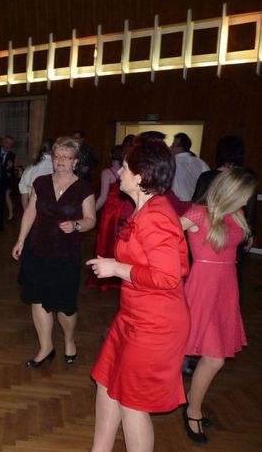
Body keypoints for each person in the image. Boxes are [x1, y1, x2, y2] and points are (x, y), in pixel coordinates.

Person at [86, 136, 189, 452]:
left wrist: (116, 268)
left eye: (125, 168)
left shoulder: (156, 216)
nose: (119, 172)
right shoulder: (144, 210)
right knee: (106, 383)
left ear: (142, 175)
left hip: (155, 325)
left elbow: (167, 277)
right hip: (132, 316)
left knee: (132, 402)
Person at [180, 168, 257, 444]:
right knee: (212, 358)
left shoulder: (236, 214)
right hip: (203, 287)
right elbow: (162, 235)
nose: (247, 201)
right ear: (231, 192)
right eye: (245, 195)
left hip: (226, 288)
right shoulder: (198, 214)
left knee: (211, 354)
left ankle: (192, 400)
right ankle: (192, 409)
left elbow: (236, 243)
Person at [12, 137, 96, 367]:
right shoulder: (40, 182)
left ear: (75, 161)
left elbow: (91, 219)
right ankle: (45, 347)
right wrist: (20, 240)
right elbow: (30, 212)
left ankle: (69, 340)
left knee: (65, 306)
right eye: (57, 156)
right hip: (38, 248)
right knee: (37, 299)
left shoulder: (83, 188)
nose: (60, 161)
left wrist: (76, 225)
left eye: (66, 157)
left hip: (66, 254)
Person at [87, 144, 126, 291]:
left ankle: (103, 278)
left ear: (111, 155)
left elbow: (103, 197)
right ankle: (119, 277)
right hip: (124, 211)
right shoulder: (127, 171)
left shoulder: (107, 172)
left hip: (110, 212)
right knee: (119, 243)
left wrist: (91, 212)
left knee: (105, 240)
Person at [170, 132, 208, 203]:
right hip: (197, 203)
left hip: (175, 203)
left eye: (173, 145)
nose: (170, 147)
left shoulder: (171, 163)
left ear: (180, 148)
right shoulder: (201, 163)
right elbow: (207, 183)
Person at [18, 138, 54, 210]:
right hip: (52, 210)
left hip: (33, 210)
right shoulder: (59, 170)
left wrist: (26, 212)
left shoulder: (29, 170)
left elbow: (24, 195)